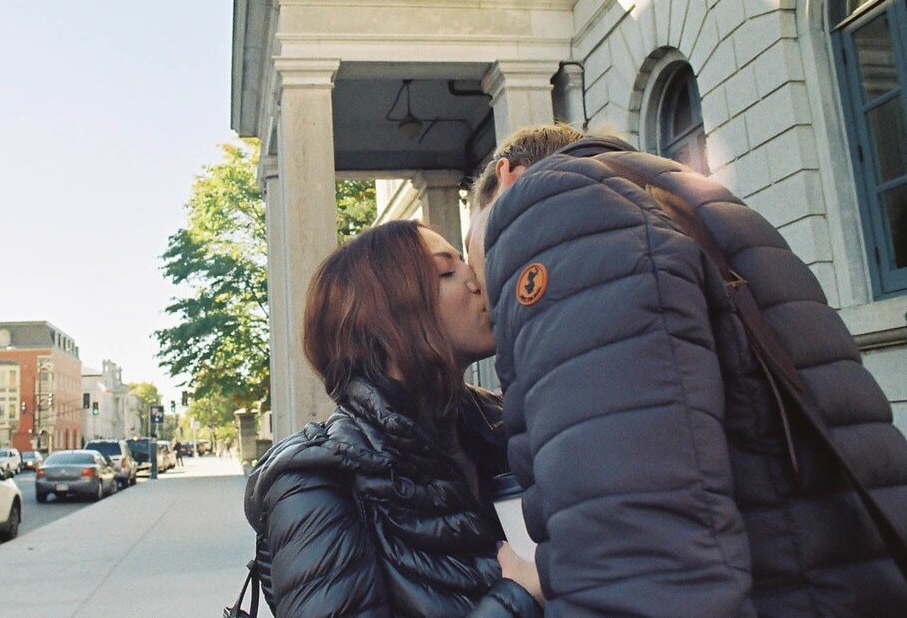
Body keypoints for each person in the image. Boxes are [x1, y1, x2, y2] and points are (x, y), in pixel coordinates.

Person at [466, 124, 907, 615]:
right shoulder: (671, 194)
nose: (477, 287)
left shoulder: (553, 212)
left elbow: (642, 561)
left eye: (467, 253)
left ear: (507, 176)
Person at [244, 220, 542, 618]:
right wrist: (517, 600)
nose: (476, 280)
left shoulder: (503, 429)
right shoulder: (318, 480)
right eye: (447, 271)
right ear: (385, 318)